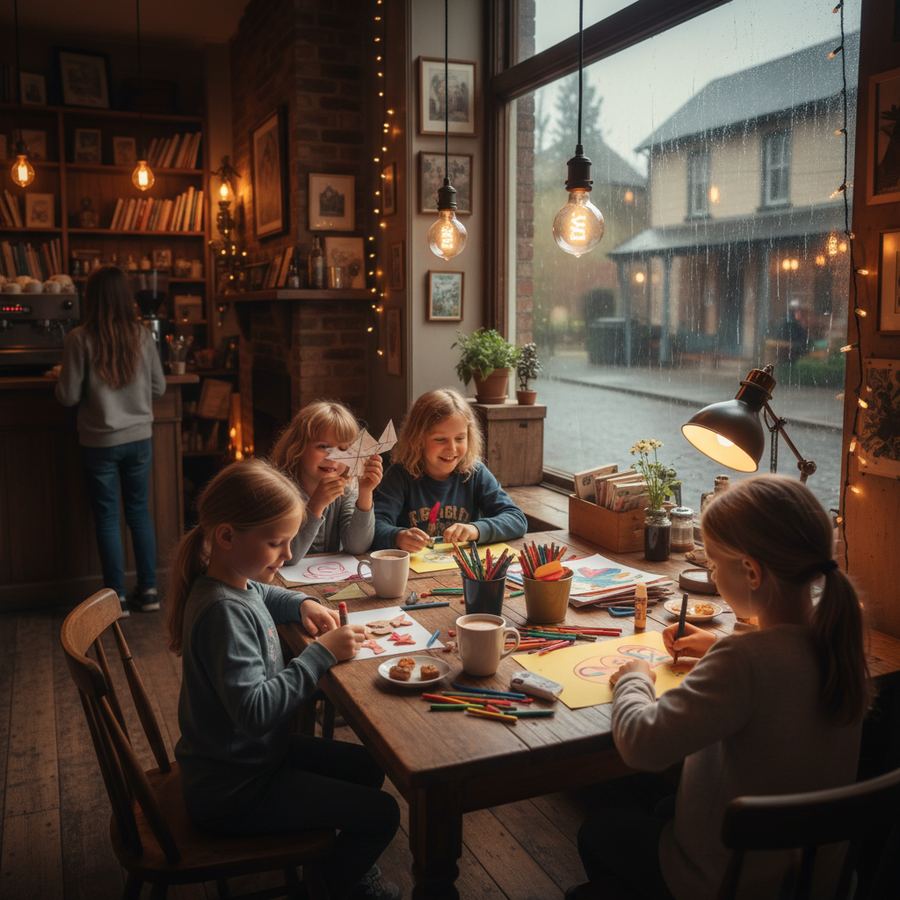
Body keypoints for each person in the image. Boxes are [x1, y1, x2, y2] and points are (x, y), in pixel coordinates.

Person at [570, 475, 869, 900]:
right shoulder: (839, 643)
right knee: (660, 807)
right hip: (813, 880)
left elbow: (641, 745)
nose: (711, 574)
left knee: (601, 831)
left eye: (712, 564)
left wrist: (636, 676)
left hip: (724, 883)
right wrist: (722, 643)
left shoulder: (743, 662)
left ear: (750, 571)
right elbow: (777, 674)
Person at [167, 459, 400, 900]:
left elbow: (264, 594)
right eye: (276, 543)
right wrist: (320, 655)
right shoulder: (222, 612)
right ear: (227, 536)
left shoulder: (229, 581)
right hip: (234, 790)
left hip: (244, 761)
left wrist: (301, 604)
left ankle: (336, 865)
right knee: (383, 813)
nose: (289, 555)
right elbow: (254, 713)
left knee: (367, 766)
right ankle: (331, 884)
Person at [55, 265, 165, 615]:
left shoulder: (79, 338)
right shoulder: (142, 336)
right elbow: (159, 387)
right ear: (125, 297)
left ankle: (116, 596)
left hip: (100, 441)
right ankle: (149, 591)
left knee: (106, 517)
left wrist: (59, 378)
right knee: (139, 513)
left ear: (90, 298)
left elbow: (68, 396)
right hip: (139, 438)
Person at [372, 388, 527, 551]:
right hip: (413, 573)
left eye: (460, 438)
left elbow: (517, 519)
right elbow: (374, 526)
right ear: (418, 439)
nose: (452, 448)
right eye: (440, 439)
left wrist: (475, 529)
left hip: (462, 569)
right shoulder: (399, 475)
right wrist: (397, 536)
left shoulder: (475, 472)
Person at [270, 400, 382, 564]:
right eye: (323, 447)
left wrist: (365, 493)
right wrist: (316, 505)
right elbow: (287, 556)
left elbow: (357, 547)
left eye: (344, 450)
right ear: (298, 447)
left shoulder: (347, 488)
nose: (334, 457)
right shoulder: (279, 490)